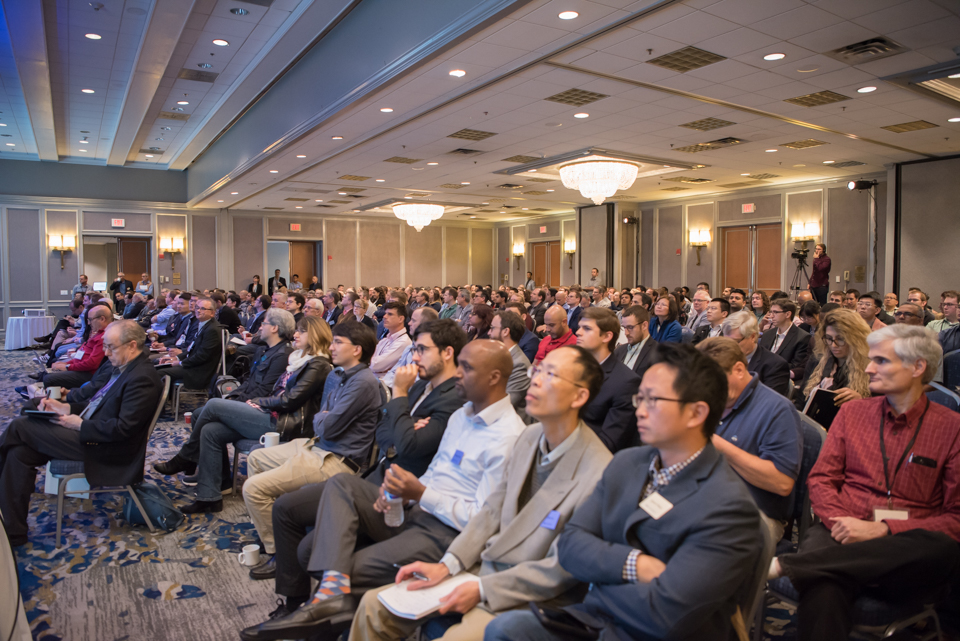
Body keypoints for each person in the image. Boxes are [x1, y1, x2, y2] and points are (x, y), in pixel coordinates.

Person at [240, 341, 525, 640]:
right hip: (415, 512)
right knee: (338, 493)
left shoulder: (508, 437)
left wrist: (420, 493)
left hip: (446, 534)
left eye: (466, 368)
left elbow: (483, 521)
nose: (457, 375)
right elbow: (431, 470)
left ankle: (329, 609)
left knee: (330, 560)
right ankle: (332, 602)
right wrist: (402, 495)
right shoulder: (462, 415)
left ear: (494, 377)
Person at [486, 343, 762, 641]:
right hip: (593, 624)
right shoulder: (627, 463)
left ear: (696, 413)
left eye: (652, 400)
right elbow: (570, 546)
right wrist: (636, 564)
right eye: (639, 397)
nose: (639, 410)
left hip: (651, 634)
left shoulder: (728, 506)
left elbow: (665, 616)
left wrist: (600, 584)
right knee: (505, 630)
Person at [349, 346, 612, 641]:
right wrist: (447, 565)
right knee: (374, 606)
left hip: (526, 595)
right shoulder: (530, 436)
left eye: (550, 374)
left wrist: (483, 588)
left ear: (579, 396)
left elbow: (561, 567)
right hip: (481, 567)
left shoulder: (599, 472)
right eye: (537, 370)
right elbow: (492, 510)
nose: (535, 379)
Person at [770, 324, 960, 641]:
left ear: (918, 367)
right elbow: (822, 480)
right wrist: (841, 521)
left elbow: (955, 515)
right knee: (826, 585)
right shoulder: (853, 413)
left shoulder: (951, 428)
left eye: (881, 361)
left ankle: (793, 566)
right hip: (842, 528)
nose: (869, 368)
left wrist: (884, 529)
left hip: (908, 548)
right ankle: (818, 566)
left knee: (942, 548)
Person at [255, 319, 467, 588]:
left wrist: (399, 396)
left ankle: (320, 610)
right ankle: (293, 601)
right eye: (414, 348)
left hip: (399, 497)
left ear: (447, 352)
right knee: (285, 508)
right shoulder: (419, 387)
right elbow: (382, 428)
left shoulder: (452, 398)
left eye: (422, 349)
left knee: (309, 548)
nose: (414, 357)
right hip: (375, 478)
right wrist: (403, 428)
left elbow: (409, 446)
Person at [0, 321, 163, 546]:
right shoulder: (125, 368)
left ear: (132, 345)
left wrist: (78, 424)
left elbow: (123, 429)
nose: (105, 353)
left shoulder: (141, 378)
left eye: (111, 347)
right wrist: (65, 408)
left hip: (108, 449)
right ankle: (13, 532)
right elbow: (98, 404)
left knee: (21, 426)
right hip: (94, 434)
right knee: (19, 453)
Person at [240, 321, 382, 558]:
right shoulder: (338, 374)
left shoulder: (364, 382)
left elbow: (328, 427)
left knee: (253, 488)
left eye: (338, 342)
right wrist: (324, 418)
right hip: (316, 445)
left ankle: (280, 553)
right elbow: (323, 419)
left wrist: (324, 418)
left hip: (337, 459)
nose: (332, 347)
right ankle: (274, 526)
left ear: (357, 349)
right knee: (256, 457)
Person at [153, 307, 297, 489]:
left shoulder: (283, 355)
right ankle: (219, 480)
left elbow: (264, 390)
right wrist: (233, 398)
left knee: (212, 405)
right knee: (205, 422)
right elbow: (248, 382)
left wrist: (234, 403)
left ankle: (186, 457)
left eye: (265, 323)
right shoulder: (264, 350)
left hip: (263, 413)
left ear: (275, 328)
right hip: (249, 406)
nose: (260, 326)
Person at [698, 337, 802, 540]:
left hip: (753, 513)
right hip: (704, 498)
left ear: (738, 369)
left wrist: (719, 447)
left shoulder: (776, 410)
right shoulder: (710, 400)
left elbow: (782, 482)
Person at [577, 307, 642, 453]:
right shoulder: (573, 370)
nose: (578, 332)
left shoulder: (626, 383)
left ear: (606, 337)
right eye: (579, 327)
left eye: (586, 328)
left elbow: (611, 442)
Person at [802, 308, 872, 408]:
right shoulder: (818, 359)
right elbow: (801, 400)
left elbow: (884, 411)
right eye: (829, 339)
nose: (833, 345)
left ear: (856, 339)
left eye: (841, 339)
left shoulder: (873, 366)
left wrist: (861, 401)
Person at [157, 296, 222, 390]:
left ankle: (160, 402)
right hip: (193, 365)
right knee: (160, 366)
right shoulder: (204, 324)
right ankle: (166, 400)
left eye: (203, 308)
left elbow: (202, 356)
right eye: (197, 308)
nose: (198, 311)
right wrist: (176, 358)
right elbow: (191, 349)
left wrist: (180, 362)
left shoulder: (212, 330)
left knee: (161, 372)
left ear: (212, 313)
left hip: (199, 371)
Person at [723, 311, 790, 397]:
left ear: (753, 337)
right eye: (726, 341)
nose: (729, 346)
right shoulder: (720, 358)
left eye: (735, 341)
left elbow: (768, 403)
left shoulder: (775, 365)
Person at [759, 298, 810, 381]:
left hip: (782, 378)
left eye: (775, 312)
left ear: (787, 314)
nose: (771, 316)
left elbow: (795, 366)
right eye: (771, 312)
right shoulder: (767, 334)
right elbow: (759, 357)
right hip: (762, 376)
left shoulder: (802, 337)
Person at [489, 311, 530, 414]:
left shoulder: (519, 364)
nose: (489, 333)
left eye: (492, 328)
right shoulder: (496, 355)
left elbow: (505, 404)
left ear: (505, 331)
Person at [613, 304, 657, 380]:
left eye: (630, 327)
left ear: (644, 325)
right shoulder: (619, 351)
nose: (626, 333)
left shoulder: (658, 353)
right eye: (624, 327)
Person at [370, 302, 411, 379]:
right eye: (385, 313)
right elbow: (371, 360)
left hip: (385, 385)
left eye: (390, 314)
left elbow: (376, 365)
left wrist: (368, 361)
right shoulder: (385, 340)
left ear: (400, 319)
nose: (384, 316)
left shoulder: (403, 342)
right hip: (374, 380)